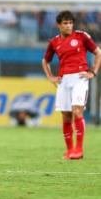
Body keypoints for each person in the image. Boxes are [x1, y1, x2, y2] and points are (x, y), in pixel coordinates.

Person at [41, 10, 101, 160]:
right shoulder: (54, 42)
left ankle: (79, 150)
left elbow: (98, 52)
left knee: (77, 112)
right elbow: (45, 60)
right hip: (63, 80)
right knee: (66, 116)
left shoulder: (81, 36)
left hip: (80, 77)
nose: (68, 26)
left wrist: (93, 72)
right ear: (59, 25)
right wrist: (50, 76)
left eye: (70, 23)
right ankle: (70, 151)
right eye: (65, 23)